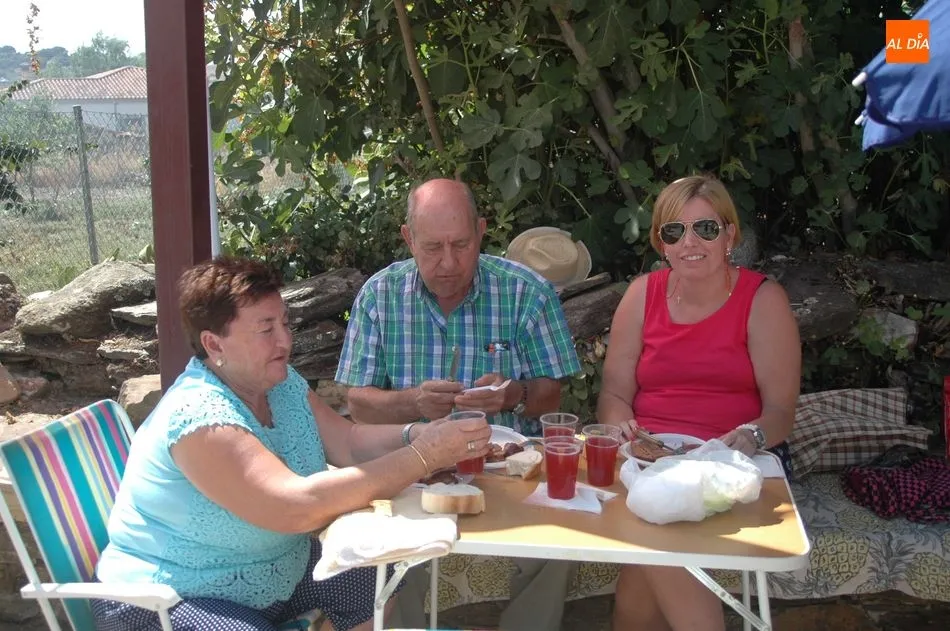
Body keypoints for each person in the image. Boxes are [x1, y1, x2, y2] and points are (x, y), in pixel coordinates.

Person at [92, 256, 491, 631]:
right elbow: (296, 507)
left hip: (276, 572)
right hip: (168, 597)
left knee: (375, 573)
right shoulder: (199, 417)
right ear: (214, 345)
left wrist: (415, 435)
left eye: (285, 323)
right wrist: (424, 456)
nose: (285, 340)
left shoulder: (278, 384)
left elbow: (349, 442)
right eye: (266, 329)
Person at [335, 178, 583, 630]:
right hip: (412, 470)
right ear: (409, 238)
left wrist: (514, 395)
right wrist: (414, 402)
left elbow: (552, 396)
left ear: (482, 232)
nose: (448, 262)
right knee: (392, 556)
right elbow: (359, 405)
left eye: (461, 245)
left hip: (507, 472)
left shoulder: (527, 292)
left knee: (557, 542)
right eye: (432, 247)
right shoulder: (379, 295)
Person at [596, 174, 801, 631]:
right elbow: (613, 395)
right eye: (675, 231)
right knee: (644, 568)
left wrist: (751, 435)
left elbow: (781, 413)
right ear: (662, 244)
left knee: (652, 549)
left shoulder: (762, 300)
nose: (690, 242)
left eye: (705, 228)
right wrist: (621, 425)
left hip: (733, 461)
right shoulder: (641, 295)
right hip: (648, 460)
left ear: (730, 235)